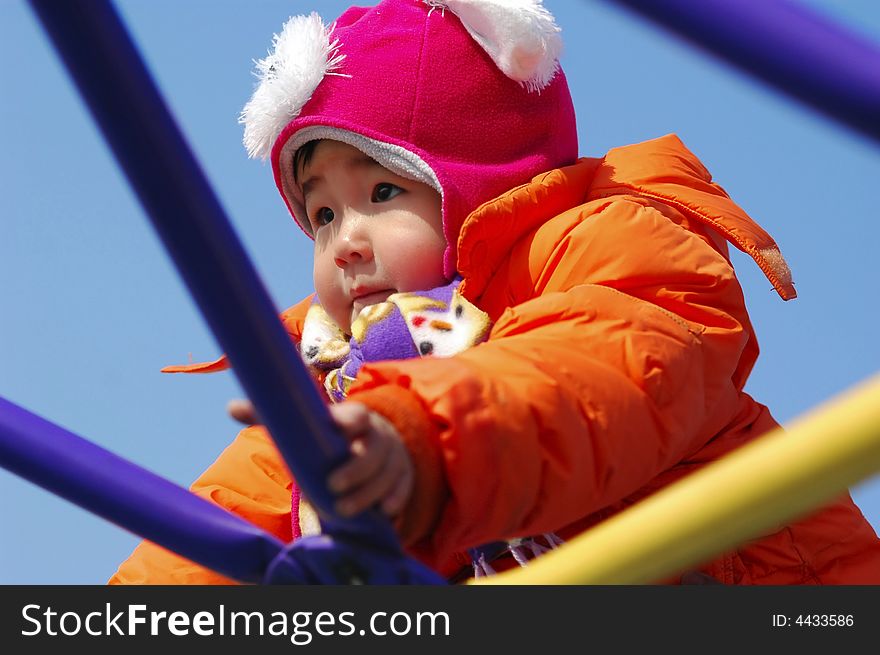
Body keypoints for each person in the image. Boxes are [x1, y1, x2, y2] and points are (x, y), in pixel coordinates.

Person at [109, 0, 880, 585]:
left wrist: (418, 437)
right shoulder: (345, 371)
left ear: (479, 181)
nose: (342, 238)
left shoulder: (606, 245)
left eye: (381, 190)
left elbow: (591, 372)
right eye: (320, 213)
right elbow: (229, 516)